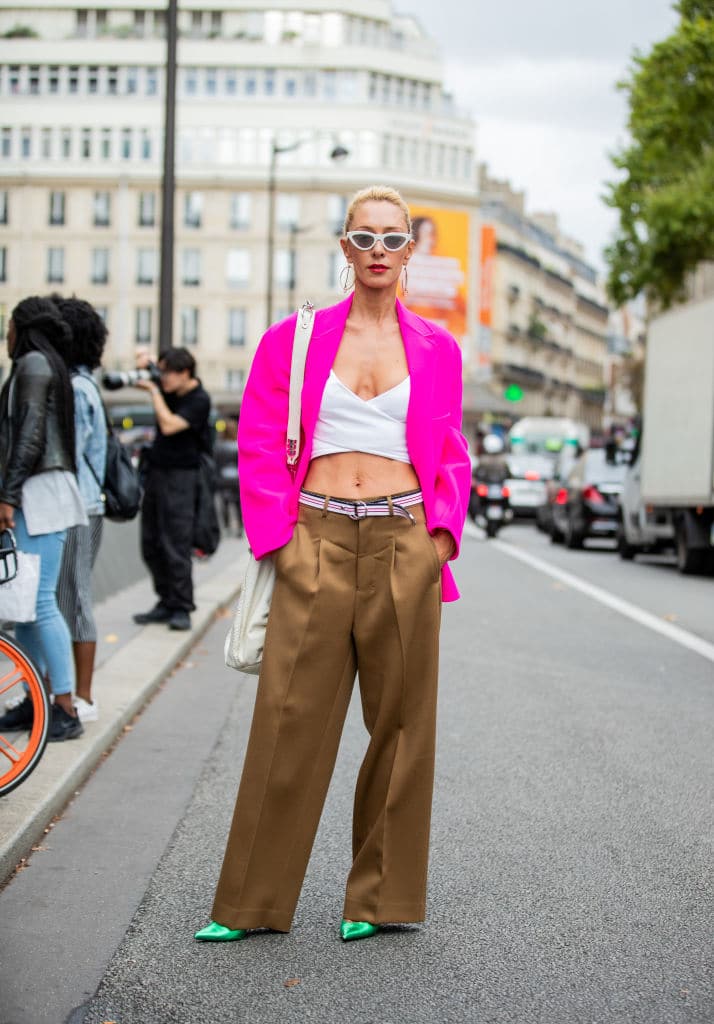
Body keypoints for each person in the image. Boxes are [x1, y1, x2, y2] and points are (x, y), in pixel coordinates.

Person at [195, 185, 471, 945]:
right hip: (313, 536)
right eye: (364, 237)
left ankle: (378, 899)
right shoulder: (295, 338)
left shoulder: (438, 349)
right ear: (344, 249)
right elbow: (257, 440)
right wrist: (279, 541)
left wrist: (438, 538)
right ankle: (248, 903)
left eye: (392, 238)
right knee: (288, 717)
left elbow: (450, 454)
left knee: (403, 727)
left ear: (411, 250)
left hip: (403, 540)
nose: (378, 251)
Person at [0, 296, 87, 741]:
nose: (6, 334)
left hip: (38, 495)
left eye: (10, 324)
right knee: (26, 609)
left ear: (23, 327)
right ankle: (35, 700)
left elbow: (29, 435)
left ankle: (65, 708)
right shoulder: (46, 364)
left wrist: (7, 497)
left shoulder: (32, 364)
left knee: (37, 604)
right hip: (42, 493)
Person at [51, 296, 108, 723]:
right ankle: (73, 693)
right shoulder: (87, 384)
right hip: (87, 506)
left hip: (77, 508)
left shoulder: (76, 389)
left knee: (74, 599)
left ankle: (83, 698)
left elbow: (66, 453)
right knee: (71, 597)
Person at [132, 347, 211, 632]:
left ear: (185, 372)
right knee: (151, 542)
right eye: (161, 371)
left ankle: (181, 606)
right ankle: (165, 600)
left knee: (176, 542)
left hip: (183, 478)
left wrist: (154, 392)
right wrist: (144, 362)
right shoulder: (168, 390)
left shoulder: (199, 399)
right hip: (157, 473)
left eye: (167, 372)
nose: (162, 378)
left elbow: (169, 425)